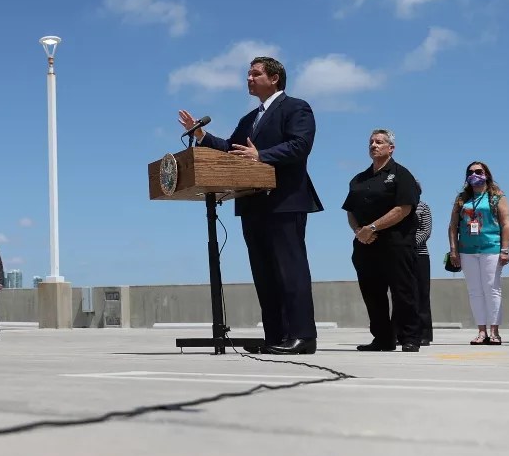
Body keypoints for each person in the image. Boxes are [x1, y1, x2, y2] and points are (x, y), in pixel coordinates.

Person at [178, 56, 323, 355]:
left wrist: (262, 155)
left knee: (290, 270)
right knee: (264, 272)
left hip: (285, 201)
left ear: (275, 78)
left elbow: (300, 145)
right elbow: (232, 150)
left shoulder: (296, 107)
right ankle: (277, 335)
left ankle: (302, 336)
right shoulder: (248, 120)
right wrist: (201, 135)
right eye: (248, 74)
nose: (249, 78)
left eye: (255, 74)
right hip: (252, 203)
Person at [342, 129, 422, 352]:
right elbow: (350, 210)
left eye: (379, 142)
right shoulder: (358, 179)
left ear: (391, 148)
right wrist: (360, 231)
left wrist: (373, 227)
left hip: (396, 243)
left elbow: (403, 209)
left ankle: (409, 337)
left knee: (402, 291)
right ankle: (383, 338)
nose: (374, 145)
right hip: (366, 244)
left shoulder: (401, 174)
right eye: (371, 142)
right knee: (372, 293)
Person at [448, 161, 509, 346]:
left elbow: (506, 224)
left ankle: (494, 331)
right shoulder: (462, 198)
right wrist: (454, 250)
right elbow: (453, 226)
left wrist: (505, 250)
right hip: (467, 250)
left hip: (491, 248)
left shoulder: (496, 196)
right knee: (475, 291)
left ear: (486, 174)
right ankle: (481, 331)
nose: (474, 174)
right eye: (471, 172)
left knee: (492, 289)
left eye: (478, 171)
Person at [412, 184, 434, 347]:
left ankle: (424, 334)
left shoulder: (423, 207)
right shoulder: (394, 207)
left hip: (419, 255)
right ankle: (403, 332)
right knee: (403, 294)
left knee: (422, 294)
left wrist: (409, 244)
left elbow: (426, 231)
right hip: (399, 255)